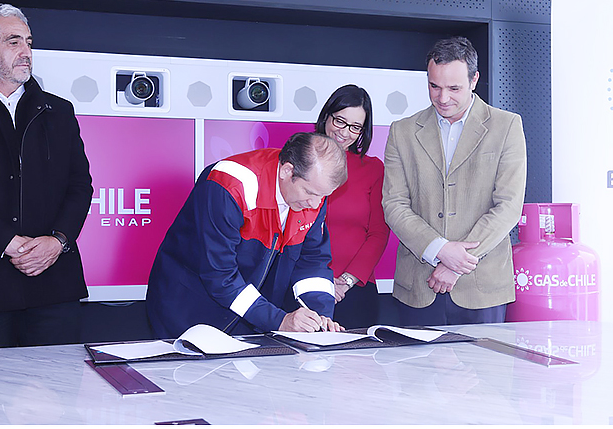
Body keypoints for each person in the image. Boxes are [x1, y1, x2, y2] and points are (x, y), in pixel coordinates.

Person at [0, 4, 93, 349]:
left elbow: (80, 186)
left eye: (29, 42)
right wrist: (5, 241)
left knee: (59, 395)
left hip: (54, 286)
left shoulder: (59, 111)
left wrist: (58, 241)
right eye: (14, 42)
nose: (26, 52)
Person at [382, 36, 527, 326]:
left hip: (482, 289)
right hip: (418, 288)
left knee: (484, 371)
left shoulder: (506, 126)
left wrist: (457, 263)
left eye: (454, 88)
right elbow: (394, 204)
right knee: (417, 372)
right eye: (434, 86)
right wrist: (439, 250)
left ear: (475, 80)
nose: (443, 98)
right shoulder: (403, 131)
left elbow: (508, 206)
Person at [147, 132, 347, 337]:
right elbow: (220, 275)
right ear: (287, 171)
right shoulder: (228, 186)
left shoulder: (314, 192)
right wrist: (279, 320)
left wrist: (320, 317)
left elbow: (313, 261)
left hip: (252, 313)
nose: (315, 204)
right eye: (310, 193)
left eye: (323, 196)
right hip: (188, 312)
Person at [315, 85, 389, 329]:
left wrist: (345, 282)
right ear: (327, 115)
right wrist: (322, 282)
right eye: (340, 121)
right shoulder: (299, 158)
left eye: (355, 127)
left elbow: (379, 233)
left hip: (355, 289)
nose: (344, 132)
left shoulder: (373, 169)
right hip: (304, 286)